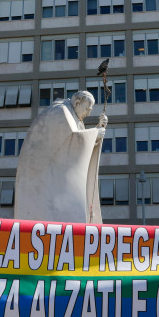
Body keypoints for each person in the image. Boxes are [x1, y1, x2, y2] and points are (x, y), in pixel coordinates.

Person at [14, 90, 108, 224]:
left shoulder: (74, 117)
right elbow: (70, 141)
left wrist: (98, 130)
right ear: (77, 102)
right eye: (87, 109)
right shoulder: (60, 112)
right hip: (43, 180)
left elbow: (76, 142)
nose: (88, 113)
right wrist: (95, 133)